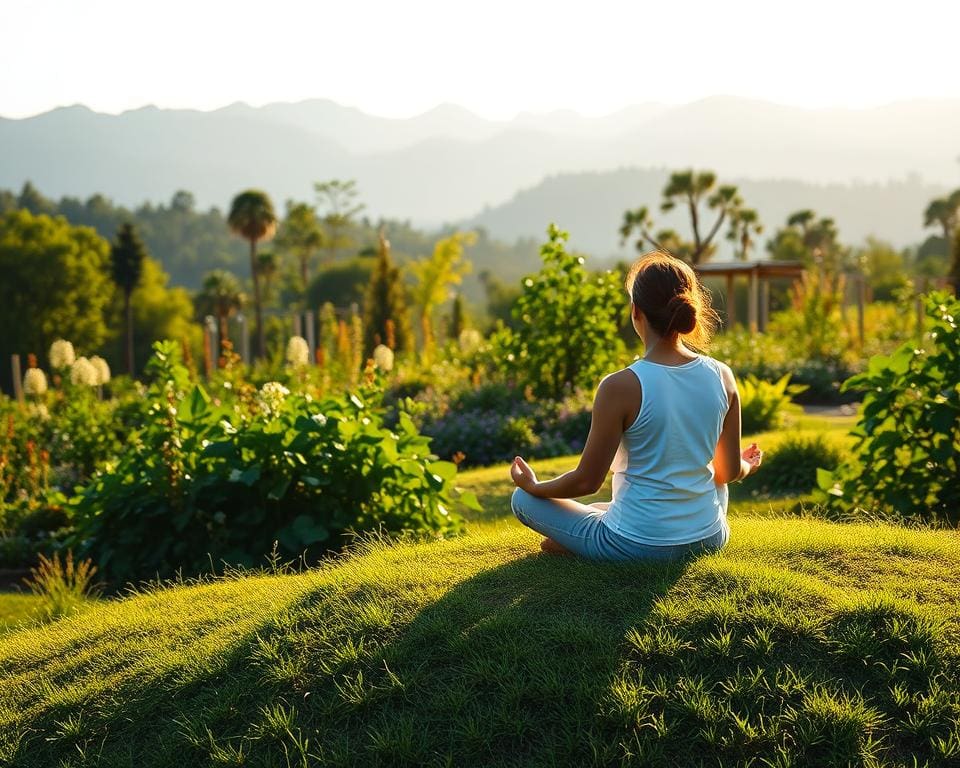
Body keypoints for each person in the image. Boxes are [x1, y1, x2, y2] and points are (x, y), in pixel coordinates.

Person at [509, 251, 762, 561]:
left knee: (521, 500)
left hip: (636, 546)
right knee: (708, 478)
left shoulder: (619, 386)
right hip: (708, 537)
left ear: (636, 311)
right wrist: (747, 464)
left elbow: (587, 481)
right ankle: (583, 532)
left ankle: (580, 540)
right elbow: (727, 472)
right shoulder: (722, 375)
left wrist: (534, 486)